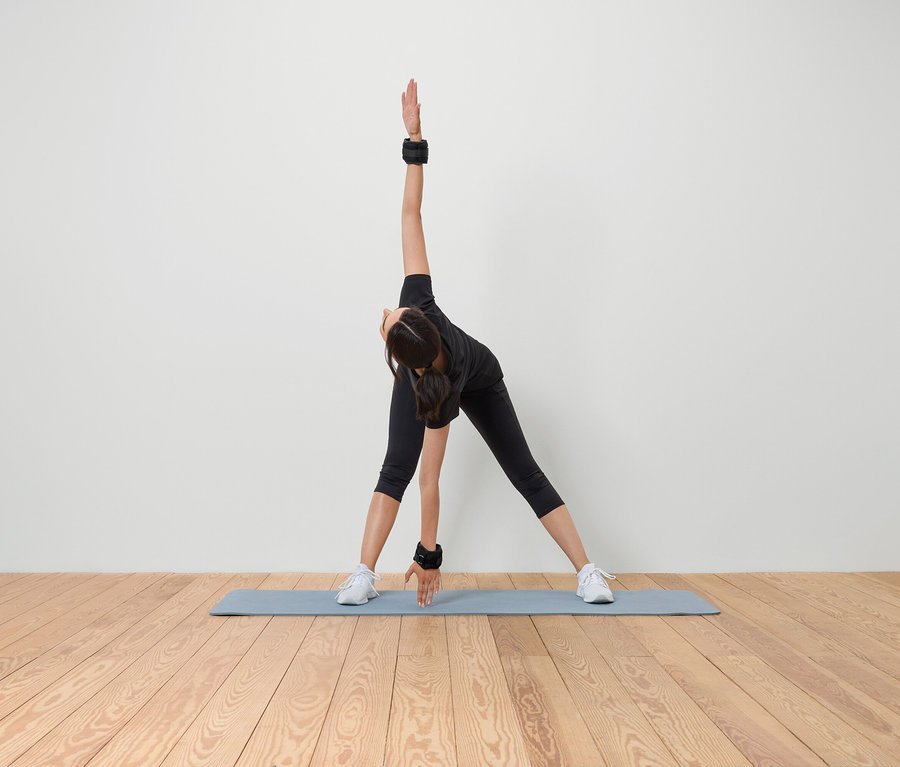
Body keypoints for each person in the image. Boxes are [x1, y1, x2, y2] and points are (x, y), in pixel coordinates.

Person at [336, 78, 616, 608]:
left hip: (482, 380)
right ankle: (362, 574)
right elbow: (411, 215)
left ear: (405, 361)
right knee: (393, 463)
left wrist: (428, 554)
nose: (389, 310)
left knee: (524, 471)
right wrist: (414, 141)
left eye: (386, 318)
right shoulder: (417, 304)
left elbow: (431, 481)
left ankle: (588, 572)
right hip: (432, 375)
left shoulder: (436, 387)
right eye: (391, 314)